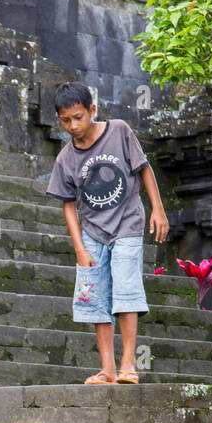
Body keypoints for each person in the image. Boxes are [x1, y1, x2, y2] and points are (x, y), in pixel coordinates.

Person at [46, 81, 170, 385]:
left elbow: (144, 169)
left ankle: (129, 365)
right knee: (96, 297)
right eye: (65, 120)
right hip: (93, 233)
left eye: (78, 117)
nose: (73, 126)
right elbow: (68, 206)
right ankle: (108, 369)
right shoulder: (65, 158)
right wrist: (80, 249)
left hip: (127, 224)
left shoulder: (119, 131)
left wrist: (158, 209)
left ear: (92, 111)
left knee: (126, 291)